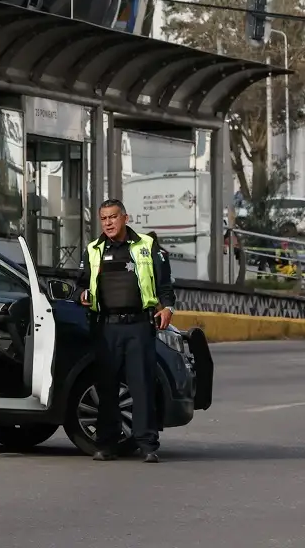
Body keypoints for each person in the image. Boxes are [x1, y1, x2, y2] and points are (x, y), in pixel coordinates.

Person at [76, 198, 175, 463]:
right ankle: (106, 444)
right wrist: (82, 295)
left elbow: (165, 286)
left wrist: (167, 308)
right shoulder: (92, 250)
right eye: (104, 218)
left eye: (113, 217)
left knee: (141, 385)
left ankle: (147, 445)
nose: (108, 223)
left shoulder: (147, 245)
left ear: (125, 218)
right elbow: (79, 286)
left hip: (139, 326)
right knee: (106, 387)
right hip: (106, 327)